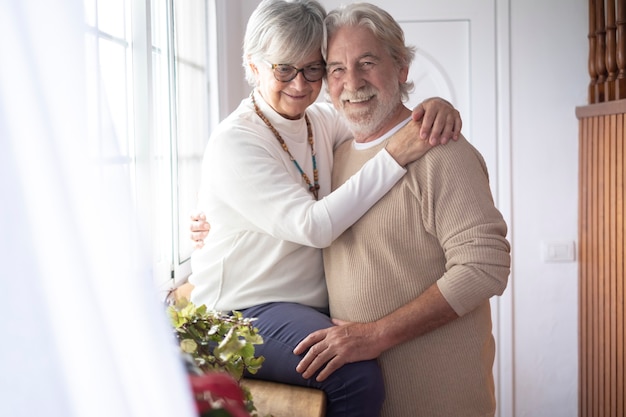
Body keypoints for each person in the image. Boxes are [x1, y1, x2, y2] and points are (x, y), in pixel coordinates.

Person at [184, 1, 462, 416]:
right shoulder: (236, 141)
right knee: (355, 378)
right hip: (242, 311)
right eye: (284, 69)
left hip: (304, 305)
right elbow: (314, 226)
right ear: (253, 66)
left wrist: (435, 107)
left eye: (313, 69)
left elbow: (375, 116)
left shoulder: (320, 121)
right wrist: (397, 155)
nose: (300, 84)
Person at [288, 3, 511, 417]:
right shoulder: (330, 157)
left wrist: (375, 336)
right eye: (336, 68)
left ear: (402, 67)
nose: (351, 82)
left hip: (441, 400)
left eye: (367, 62)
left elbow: (486, 267)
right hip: (359, 400)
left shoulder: (442, 150)